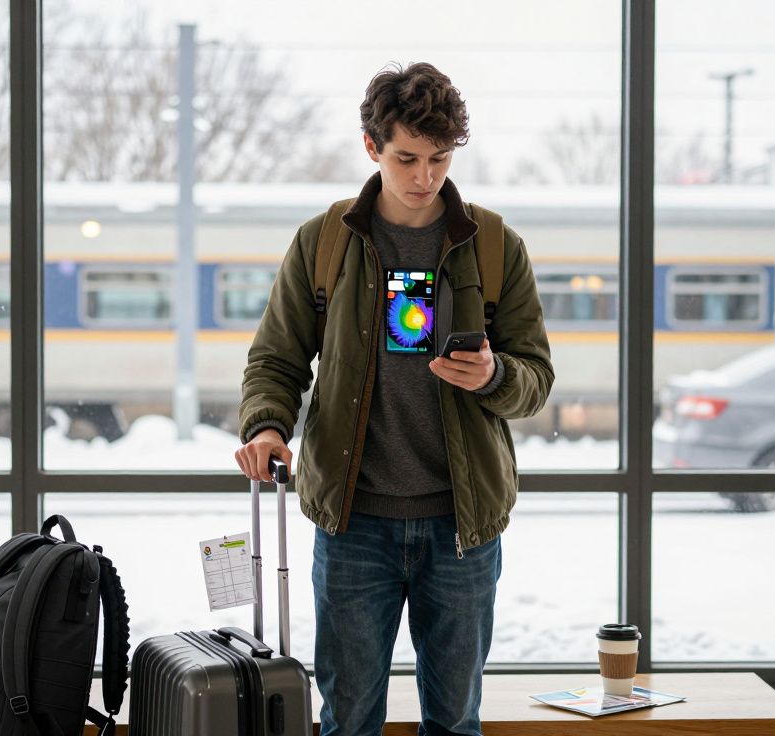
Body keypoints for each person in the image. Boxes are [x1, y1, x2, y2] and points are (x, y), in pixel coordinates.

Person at [234, 61, 553, 736]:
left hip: (462, 527)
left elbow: (537, 379)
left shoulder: (495, 245)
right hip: (354, 525)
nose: (424, 178)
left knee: (456, 722)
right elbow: (277, 356)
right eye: (407, 158)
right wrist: (266, 426)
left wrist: (496, 376)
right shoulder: (325, 241)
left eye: (439, 159)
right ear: (372, 146)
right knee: (348, 721)